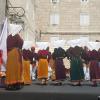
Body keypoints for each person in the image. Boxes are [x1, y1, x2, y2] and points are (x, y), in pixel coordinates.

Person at [6, 24, 24, 90]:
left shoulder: (8, 37)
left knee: (10, 68)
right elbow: (21, 43)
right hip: (16, 53)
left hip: (10, 54)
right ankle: (16, 83)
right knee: (17, 68)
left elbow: (7, 46)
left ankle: (10, 83)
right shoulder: (17, 36)